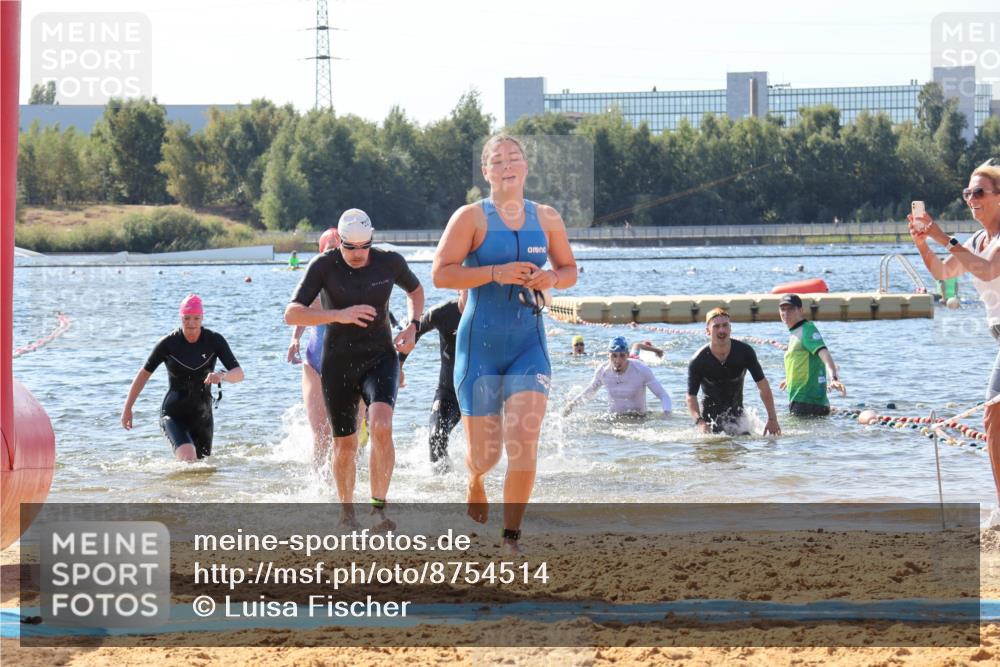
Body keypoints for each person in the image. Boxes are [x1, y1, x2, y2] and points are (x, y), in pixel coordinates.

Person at [432, 134, 577, 552]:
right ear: (486, 172)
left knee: (524, 440)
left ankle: (511, 537)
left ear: (526, 166)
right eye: (498, 160)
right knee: (488, 456)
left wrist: (552, 278)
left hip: (528, 346)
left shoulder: (546, 217)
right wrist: (494, 273)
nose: (507, 164)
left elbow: (568, 270)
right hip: (479, 349)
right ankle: (475, 479)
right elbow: (442, 273)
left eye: (514, 158)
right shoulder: (471, 218)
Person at [285, 209, 424, 525]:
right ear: (341, 243)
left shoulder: (389, 261)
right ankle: (346, 512)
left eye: (365, 247)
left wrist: (413, 325)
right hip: (338, 363)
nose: (359, 254)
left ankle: (378, 509)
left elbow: (415, 290)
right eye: (351, 248)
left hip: (380, 357)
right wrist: (339, 315)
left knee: (381, 424)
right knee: (344, 446)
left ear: (371, 241)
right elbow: (292, 313)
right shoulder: (323, 266)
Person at [908, 158, 1000, 525]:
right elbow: (946, 273)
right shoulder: (977, 239)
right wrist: (922, 244)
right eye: (967, 193)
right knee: (994, 418)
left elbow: (989, 269)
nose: (971, 199)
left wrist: (942, 236)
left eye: (978, 192)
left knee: (992, 414)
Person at [121, 294, 245, 461]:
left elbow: (239, 374)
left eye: (196, 318)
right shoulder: (168, 344)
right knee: (188, 459)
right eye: (186, 318)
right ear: (181, 318)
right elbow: (144, 374)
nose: (191, 323)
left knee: (203, 471)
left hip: (203, 416)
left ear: (202, 318)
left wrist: (222, 376)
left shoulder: (214, 340)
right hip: (173, 415)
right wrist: (128, 408)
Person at [286, 227, 363, 469]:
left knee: (350, 439)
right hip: (315, 362)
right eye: (327, 250)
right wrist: (295, 340)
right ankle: (318, 490)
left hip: (354, 365)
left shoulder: (359, 280)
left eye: (336, 248)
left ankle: (350, 491)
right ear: (321, 253)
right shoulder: (314, 280)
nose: (332, 254)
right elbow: (299, 311)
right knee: (320, 435)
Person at [398, 291, 466, 472]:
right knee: (436, 439)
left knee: (484, 454)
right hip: (449, 394)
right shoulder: (442, 312)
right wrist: (399, 365)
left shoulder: (489, 313)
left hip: (481, 396)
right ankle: (443, 490)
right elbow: (415, 331)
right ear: (458, 287)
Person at [686, 308, 781, 436]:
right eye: (716, 326)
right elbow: (691, 397)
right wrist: (700, 422)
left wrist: (772, 419)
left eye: (725, 325)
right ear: (708, 331)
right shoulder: (698, 360)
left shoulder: (745, 352)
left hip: (738, 419)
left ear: (730, 328)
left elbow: (763, 386)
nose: (721, 330)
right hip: (711, 422)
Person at [562, 336, 672, 417]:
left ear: (627, 355)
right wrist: (571, 406)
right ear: (608, 355)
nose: (617, 360)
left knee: (636, 347)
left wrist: (667, 415)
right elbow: (588, 393)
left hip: (639, 418)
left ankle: (655, 350)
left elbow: (663, 395)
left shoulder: (642, 370)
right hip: (614, 418)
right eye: (614, 356)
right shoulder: (603, 371)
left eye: (622, 356)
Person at [776, 294, 846, 416]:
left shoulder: (807, 329)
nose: (786, 312)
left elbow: (825, 354)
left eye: (791, 309)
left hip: (808, 402)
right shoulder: (795, 332)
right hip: (801, 400)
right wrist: (790, 378)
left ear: (801, 310)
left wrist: (834, 378)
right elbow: (804, 362)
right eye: (783, 309)